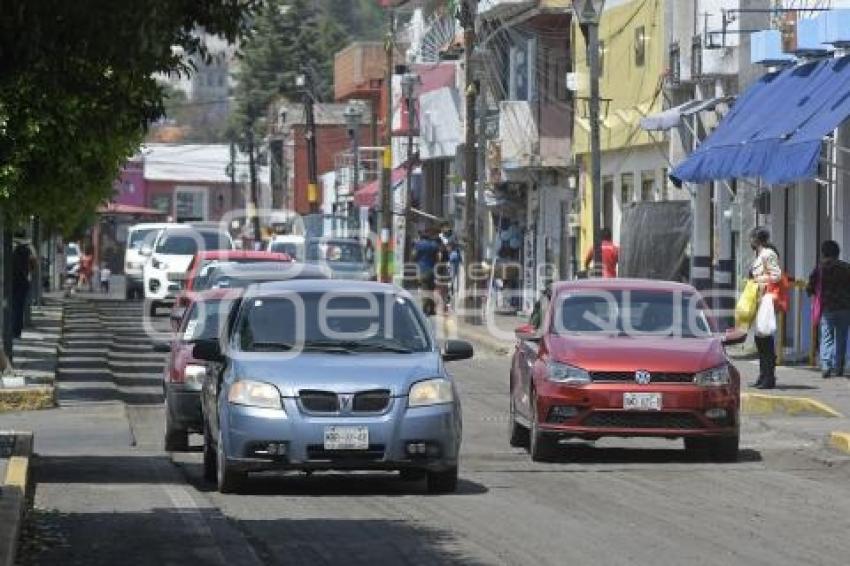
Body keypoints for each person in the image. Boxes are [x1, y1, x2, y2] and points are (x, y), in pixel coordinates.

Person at [806, 240, 850, 378]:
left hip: (827, 307)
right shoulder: (846, 267)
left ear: (823, 252)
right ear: (838, 252)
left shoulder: (820, 268)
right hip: (844, 307)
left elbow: (810, 286)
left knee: (827, 336)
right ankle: (839, 367)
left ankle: (826, 365)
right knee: (841, 338)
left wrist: (812, 294)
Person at [749, 227, 782, 389]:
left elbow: (776, 275)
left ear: (756, 239)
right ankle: (763, 375)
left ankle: (769, 377)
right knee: (760, 339)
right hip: (759, 300)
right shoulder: (760, 255)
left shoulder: (768, 254)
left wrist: (758, 280)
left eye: (751, 238)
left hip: (766, 300)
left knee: (765, 340)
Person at [11, 235, 36, 339]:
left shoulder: (10, 247)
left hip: (10, 281)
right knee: (19, 307)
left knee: (11, 306)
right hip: (23, 281)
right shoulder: (27, 250)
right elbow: (34, 263)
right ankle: (16, 332)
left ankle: (11, 330)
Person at [414, 230, 441, 315]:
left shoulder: (418, 244)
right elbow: (438, 257)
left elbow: (414, 255)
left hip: (422, 270)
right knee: (431, 289)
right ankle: (432, 309)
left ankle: (425, 309)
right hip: (432, 270)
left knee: (425, 290)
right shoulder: (434, 245)